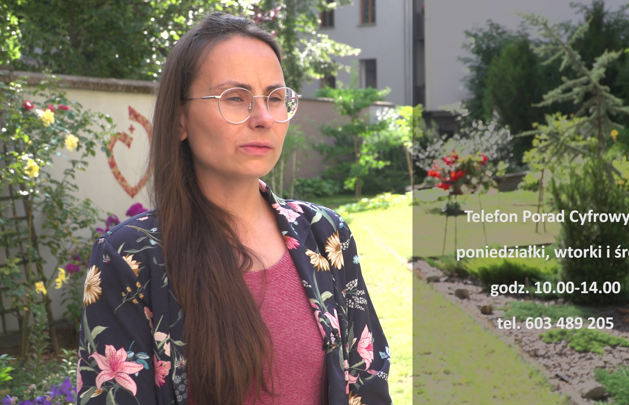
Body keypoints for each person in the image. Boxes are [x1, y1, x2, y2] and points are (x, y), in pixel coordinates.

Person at [76, 12, 392, 405]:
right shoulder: (129, 258)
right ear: (179, 118)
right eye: (235, 98)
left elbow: (368, 380)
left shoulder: (326, 234)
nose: (264, 118)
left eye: (275, 98)